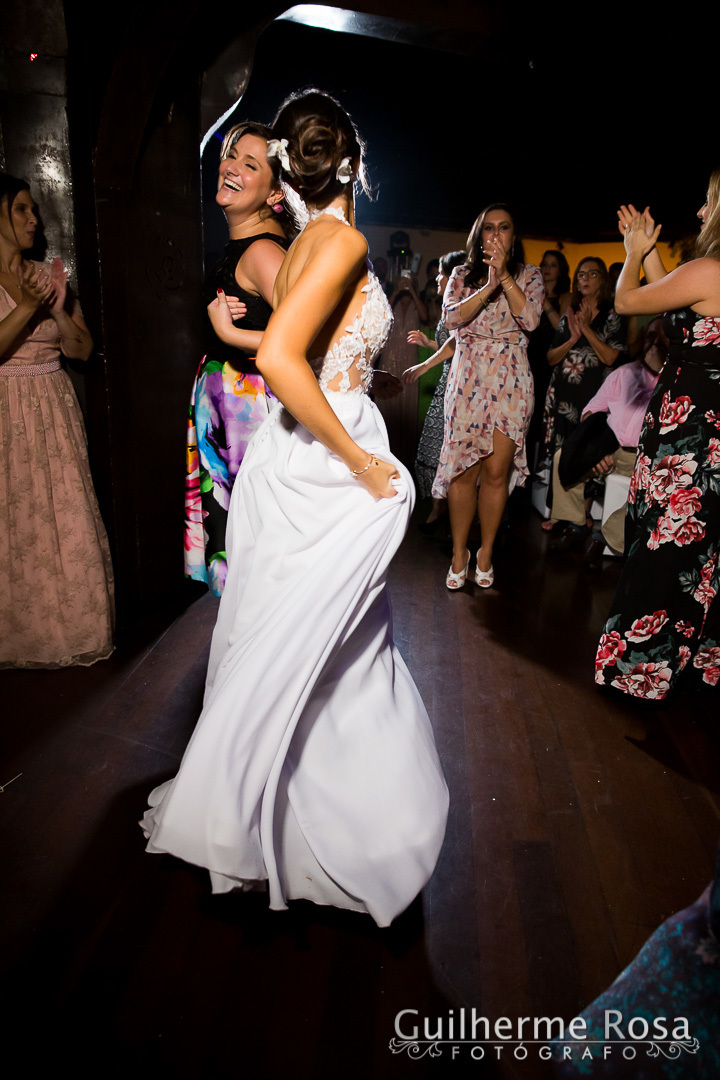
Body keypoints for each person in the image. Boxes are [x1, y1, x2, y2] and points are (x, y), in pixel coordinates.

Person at [143, 90, 449, 926]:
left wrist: (348, 376)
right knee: (328, 645)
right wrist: (361, 461)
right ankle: (336, 826)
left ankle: (277, 811)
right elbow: (288, 355)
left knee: (306, 639)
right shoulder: (341, 236)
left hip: (296, 444)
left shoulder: (312, 238)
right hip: (322, 454)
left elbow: (301, 346)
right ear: (355, 162)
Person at [595, 174, 720, 700]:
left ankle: (636, 670)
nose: (699, 210)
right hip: (706, 437)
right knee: (696, 553)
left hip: (687, 439)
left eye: (709, 199)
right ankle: (693, 667)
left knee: (661, 546)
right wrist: (649, 255)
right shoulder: (706, 276)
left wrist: (629, 254)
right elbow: (675, 294)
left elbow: (627, 303)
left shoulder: (711, 269)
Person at [0, 173, 114, 668]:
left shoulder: (46, 275)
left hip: (53, 406)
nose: (34, 220)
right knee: (13, 522)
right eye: (22, 210)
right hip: (5, 408)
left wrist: (59, 307)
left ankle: (72, 630)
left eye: (34, 210)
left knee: (65, 519)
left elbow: (83, 350)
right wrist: (27, 306)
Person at [184, 122, 294, 595]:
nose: (230, 167)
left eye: (251, 165)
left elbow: (301, 343)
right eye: (231, 155)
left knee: (256, 554)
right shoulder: (244, 248)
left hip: (250, 415)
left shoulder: (262, 252)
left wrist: (229, 333)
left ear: (274, 195)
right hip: (227, 414)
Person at [433, 204, 544, 589]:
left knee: (496, 474)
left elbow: (530, 321)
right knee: (464, 471)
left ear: (514, 236)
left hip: (512, 379)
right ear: (479, 236)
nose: (496, 235)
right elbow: (450, 319)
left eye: (504, 228)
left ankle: (486, 551)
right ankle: (459, 551)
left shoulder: (530, 276)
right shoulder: (462, 275)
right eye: (489, 228)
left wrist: (507, 280)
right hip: (469, 379)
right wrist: (489, 286)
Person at [547, 319, 666, 557]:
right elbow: (592, 410)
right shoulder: (625, 373)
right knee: (564, 455)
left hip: (646, 460)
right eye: (650, 338)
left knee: (659, 488)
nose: (652, 345)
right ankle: (575, 524)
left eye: (660, 341)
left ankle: (605, 537)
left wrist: (660, 370)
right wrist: (596, 448)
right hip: (611, 449)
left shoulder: (674, 383)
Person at [402, 250, 465, 530]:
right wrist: (428, 344)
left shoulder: (465, 307)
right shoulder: (448, 305)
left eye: (441, 272)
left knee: (448, 448)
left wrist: (426, 365)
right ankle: (441, 507)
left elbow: (458, 344)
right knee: (435, 445)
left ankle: (449, 511)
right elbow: (447, 346)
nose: (437, 278)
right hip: (445, 382)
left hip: (461, 386)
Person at [374, 267, 428, 466]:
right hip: (390, 356)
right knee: (387, 401)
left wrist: (412, 290)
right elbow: (382, 316)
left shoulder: (417, 303)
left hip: (410, 357)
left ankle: (405, 457)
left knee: (407, 401)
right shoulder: (391, 299)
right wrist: (396, 291)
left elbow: (425, 317)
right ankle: (382, 449)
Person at [527, 250, 571, 457]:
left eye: (552, 265)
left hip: (551, 362)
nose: (546, 269)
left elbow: (562, 328)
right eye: (544, 264)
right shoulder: (531, 294)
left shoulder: (566, 297)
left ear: (561, 270)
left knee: (542, 418)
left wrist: (544, 301)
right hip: (529, 358)